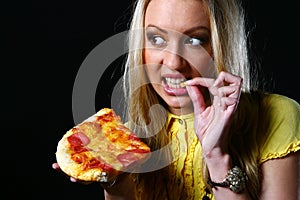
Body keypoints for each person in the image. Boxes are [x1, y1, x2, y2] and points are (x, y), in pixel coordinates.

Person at [53, 0, 300, 199]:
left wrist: (216, 156)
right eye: (157, 39)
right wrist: (114, 178)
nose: (173, 62)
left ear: (220, 44)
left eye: (194, 40)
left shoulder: (276, 114)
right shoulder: (126, 141)